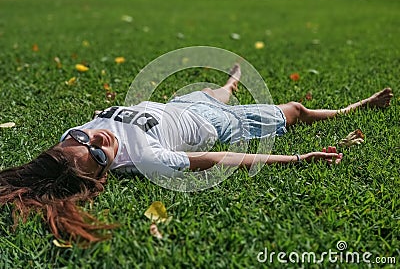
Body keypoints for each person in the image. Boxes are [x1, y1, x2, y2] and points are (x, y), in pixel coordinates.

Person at [0, 64, 393, 243]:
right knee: (295, 110)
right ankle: (356, 108)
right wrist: (296, 159)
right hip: (219, 126)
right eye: (99, 156)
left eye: (82, 140)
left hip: (184, 104)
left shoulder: (75, 141)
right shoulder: (147, 159)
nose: (97, 140)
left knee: (213, 92)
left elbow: (62, 164)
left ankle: (228, 84)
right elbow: (221, 159)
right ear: (103, 176)